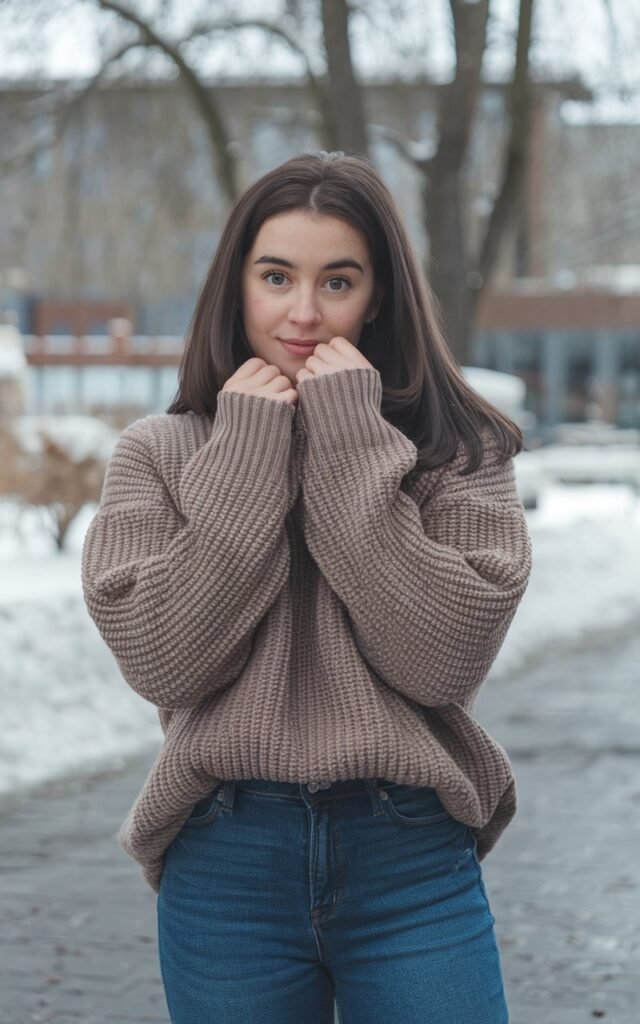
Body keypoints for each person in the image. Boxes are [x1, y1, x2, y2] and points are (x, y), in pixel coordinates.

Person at [81, 150, 532, 1023]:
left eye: (338, 281)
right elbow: (164, 662)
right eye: (277, 275)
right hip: (225, 862)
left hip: (408, 856)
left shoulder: (462, 454)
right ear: (235, 284)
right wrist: (247, 457)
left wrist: (351, 446)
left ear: (380, 298)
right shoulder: (157, 453)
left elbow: (439, 659)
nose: (303, 311)